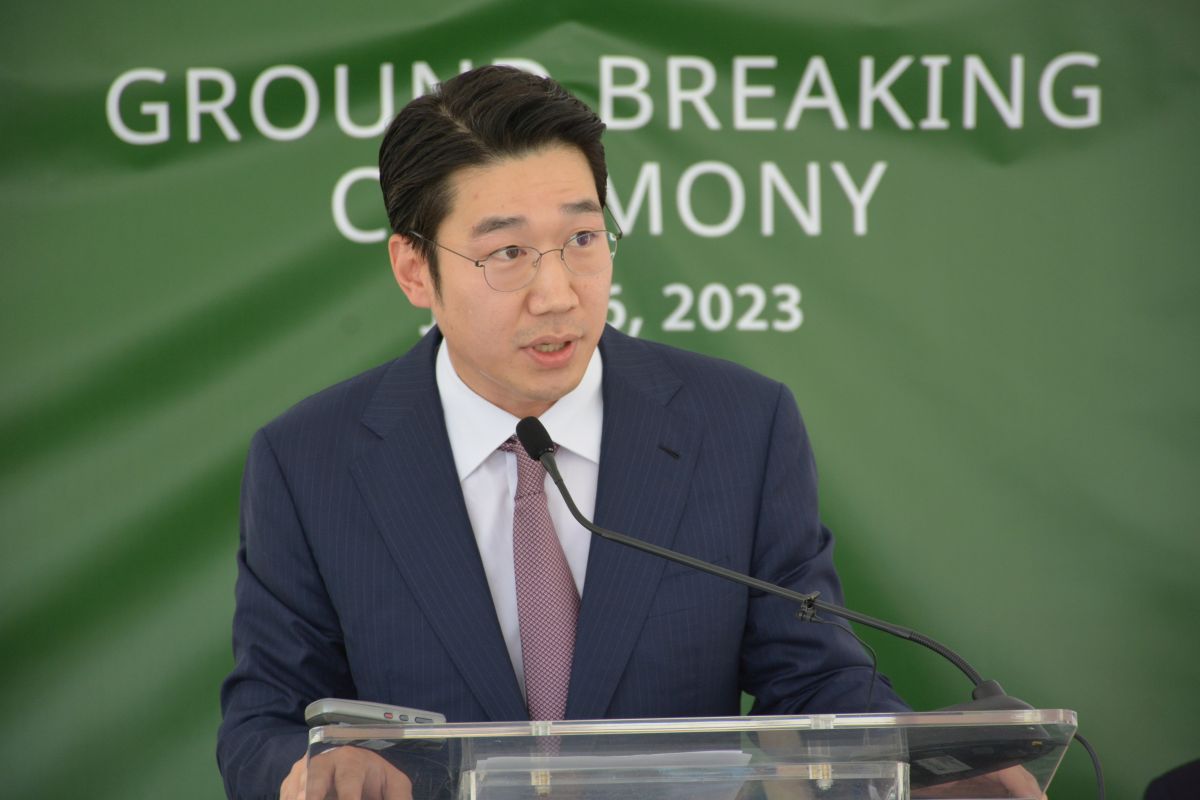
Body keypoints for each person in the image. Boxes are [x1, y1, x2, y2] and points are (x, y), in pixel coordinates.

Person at [217, 65, 907, 800]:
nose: (557, 294)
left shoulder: (741, 427)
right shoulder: (309, 463)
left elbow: (815, 683)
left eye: (583, 237)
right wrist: (311, 771)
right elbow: (265, 722)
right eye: (508, 253)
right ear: (414, 270)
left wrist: (925, 764)